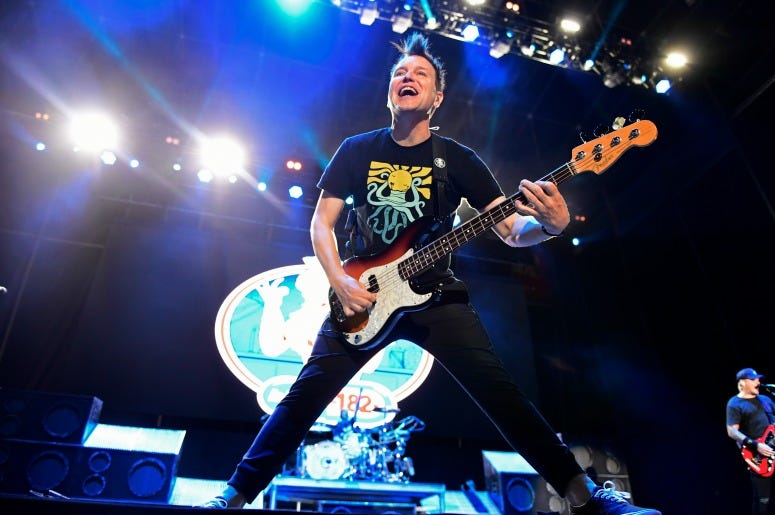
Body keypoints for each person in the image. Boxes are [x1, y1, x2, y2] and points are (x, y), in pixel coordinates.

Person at [200, 32, 661, 515]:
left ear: (436, 98)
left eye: (420, 73)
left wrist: (551, 227)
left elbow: (509, 229)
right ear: (389, 92)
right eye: (400, 72)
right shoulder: (356, 149)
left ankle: (586, 499)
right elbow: (322, 222)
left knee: (500, 393)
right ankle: (230, 498)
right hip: (362, 291)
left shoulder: (459, 160)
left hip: (436, 296)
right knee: (302, 399)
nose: (407, 77)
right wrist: (339, 279)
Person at [727, 367, 775, 514]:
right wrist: (756, 445)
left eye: (758, 379)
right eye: (753, 379)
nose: (758, 382)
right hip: (758, 456)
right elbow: (732, 431)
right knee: (762, 500)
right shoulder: (735, 403)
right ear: (742, 383)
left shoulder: (766, 400)